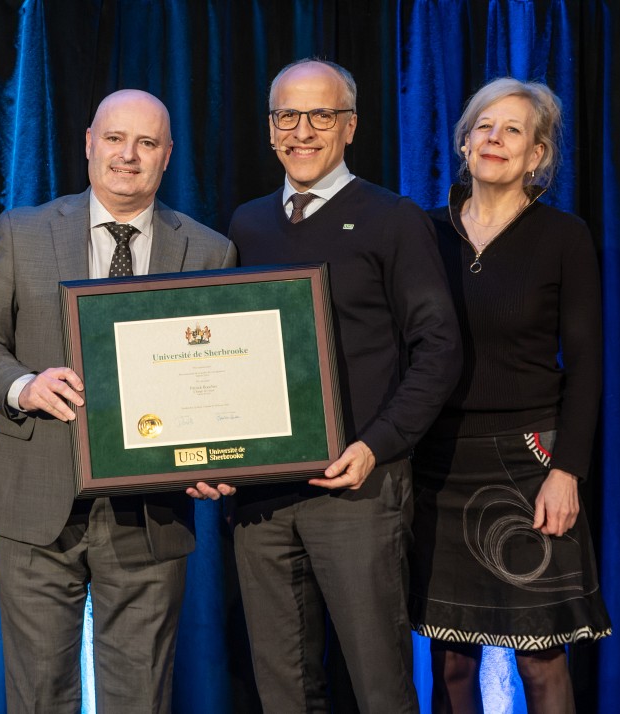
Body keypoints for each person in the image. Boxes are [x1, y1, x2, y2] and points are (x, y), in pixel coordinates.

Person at [0, 89, 236, 713]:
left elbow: (219, 381)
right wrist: (24, 385)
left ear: (166, 157)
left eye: (145, 143)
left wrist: (216, 455)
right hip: (33, 500)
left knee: (140, 698)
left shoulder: (208, 251)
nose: (127, 156)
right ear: (88, 144)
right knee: (38, 697)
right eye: (114, 138)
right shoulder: (23, 232)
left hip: (150, 513)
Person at [225, 58, 462, 713]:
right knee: (283, 693)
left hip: (360, 490)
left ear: (350, 127)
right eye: (287, 116)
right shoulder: (245, 225)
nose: (303, 131)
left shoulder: (393, 218)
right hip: (261, 500)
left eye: (321, 115)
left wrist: (377, 446)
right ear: (270, 128)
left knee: (381, 688)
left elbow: (438, 349)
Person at [407, 77, 612, 713]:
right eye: (484, 127)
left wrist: (566, 470)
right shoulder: (421, 232)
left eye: (513, 131)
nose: (495, 139)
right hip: (438, 462)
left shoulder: (563, 236)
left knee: (542, 660)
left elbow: (586, 363)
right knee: (451, 663)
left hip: (530, 461)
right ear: (464, 142)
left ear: (538, 155)